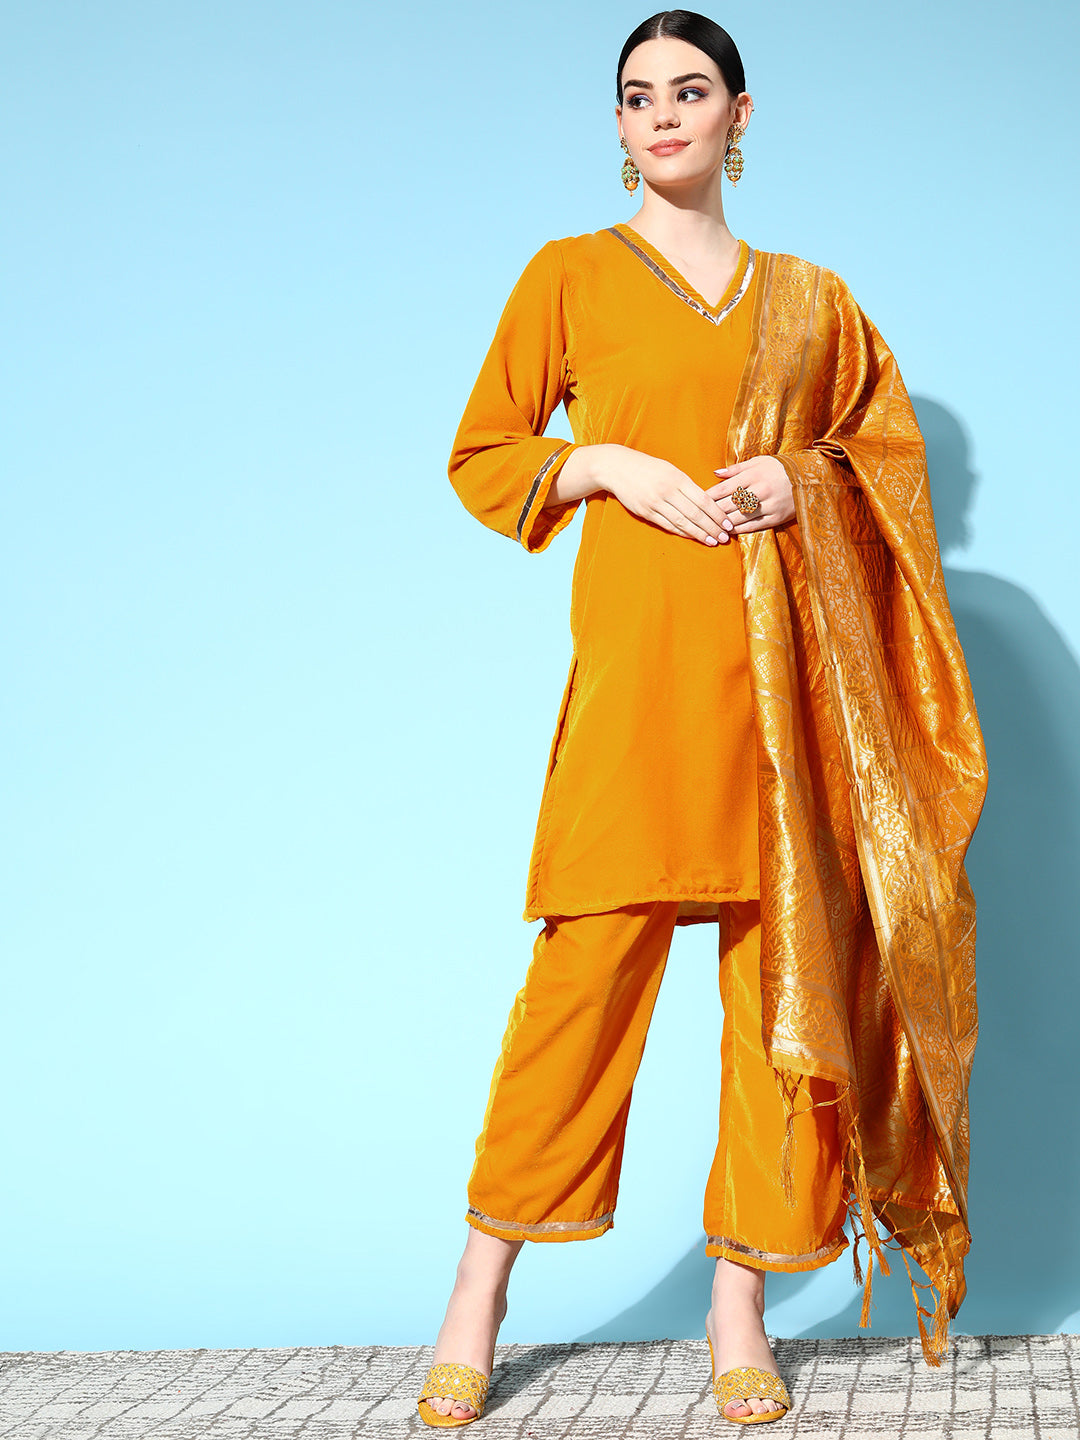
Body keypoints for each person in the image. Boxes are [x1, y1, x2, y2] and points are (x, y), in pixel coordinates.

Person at [417, 9, 987, 1429]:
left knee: (779, 997)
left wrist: (805, 480)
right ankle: (477, 1294)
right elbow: (484, 453)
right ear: (617, 129)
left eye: (689, 90)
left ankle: (741, 1305)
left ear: (740, 112)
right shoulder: (568, 276)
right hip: (639, 685)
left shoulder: (815, 299)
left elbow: (883, 459)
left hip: (787, 707)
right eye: (636, 96)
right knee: (581, 983)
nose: (662, 113)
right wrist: (602, 461)